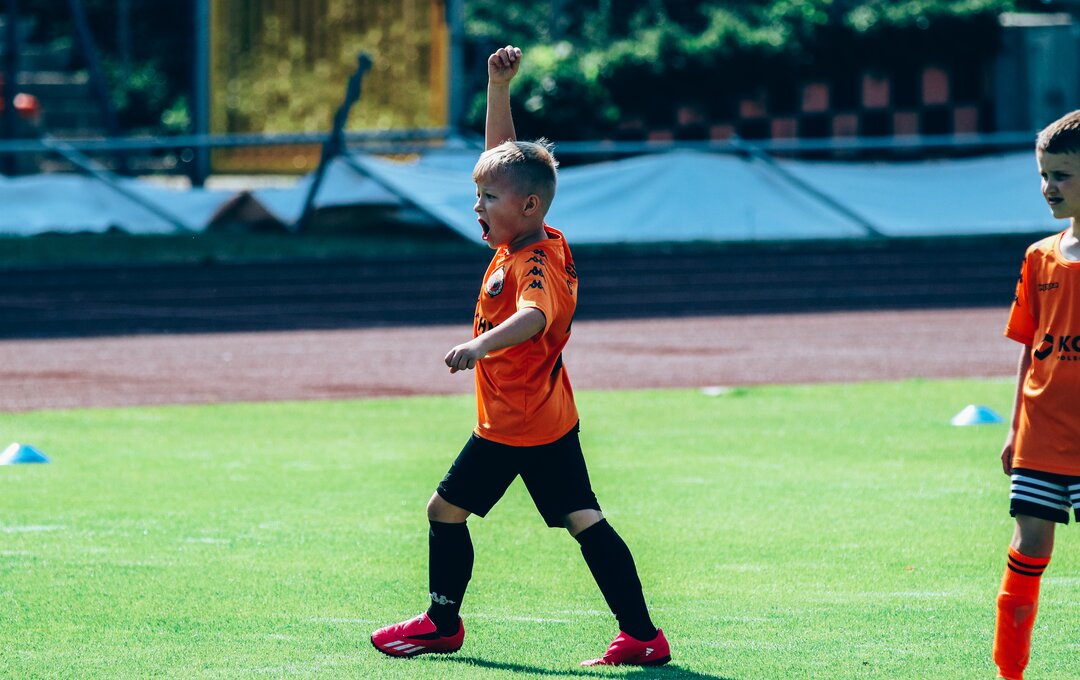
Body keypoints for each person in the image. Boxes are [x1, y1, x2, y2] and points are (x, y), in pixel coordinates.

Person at [370, 44, 670, 668]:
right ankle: (642, 635)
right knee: (583, 517)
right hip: (548, 413)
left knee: (444, 511)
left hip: (515, 422)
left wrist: (478, 346)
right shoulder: (532, 234)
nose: (477, 206)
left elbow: (534, 316)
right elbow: (504, 162)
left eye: (488, 200)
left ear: (527, 207)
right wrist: (498, 88)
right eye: (478, 195)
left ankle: (441, 624)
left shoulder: (533, 263)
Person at [995, 109, 1080, 680]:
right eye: (1044, 175)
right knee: (1028, 548)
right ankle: (1010, 671)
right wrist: (1013, 427)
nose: (1049, 186)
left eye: (1062, 175)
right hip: (1040, 437)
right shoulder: (1038, 256)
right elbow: (1031, 347)